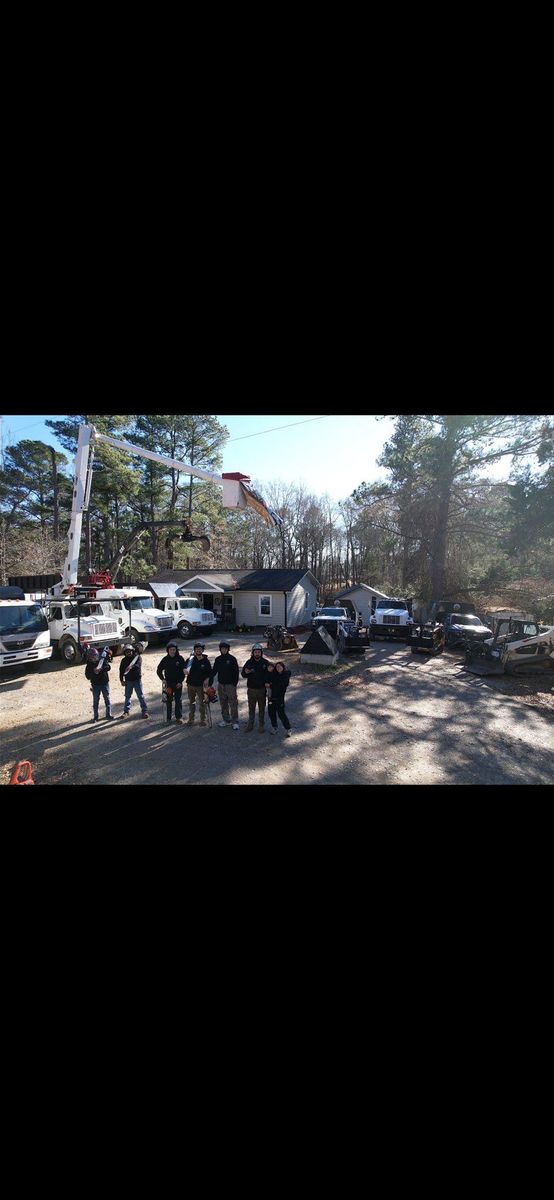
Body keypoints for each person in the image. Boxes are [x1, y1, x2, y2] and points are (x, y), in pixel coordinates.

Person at [209, 640, 240, 730]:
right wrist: (209, 680)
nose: (224, 650)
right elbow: (214, 671)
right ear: (220, 649)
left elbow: (236, 672)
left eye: (225, 648)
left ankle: (235, 721)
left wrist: (234, 683)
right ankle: (226, 720)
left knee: (233, 703)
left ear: (228, 649)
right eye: (222, 648)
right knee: (223, 703)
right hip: (221, 684)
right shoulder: (218, 659)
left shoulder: (232, 659)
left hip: (230, 685)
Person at [241, 643, 269, 732]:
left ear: (261, 653)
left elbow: (270, 674)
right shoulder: (249, 662)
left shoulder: (265, 662)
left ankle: (261, 725)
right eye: (255, 652)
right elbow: (243, 674)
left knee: (261, 708)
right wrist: (247, 672)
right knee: (251, 708)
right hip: (251, 690)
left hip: (262, 690)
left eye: (258, 652)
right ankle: (250, 725)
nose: (257, 653)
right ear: (252, 653)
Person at [157, 640, 186, 723]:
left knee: (178, 700)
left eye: (174, 649)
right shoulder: (165, 659)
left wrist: (180, 682)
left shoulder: (180, 659)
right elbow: (159, 670)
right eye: (171, 649)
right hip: (169, 684)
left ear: (176, 650)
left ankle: (178, 717)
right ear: (168, 650)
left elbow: (183, 672)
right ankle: (168, 718)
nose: (172, 651)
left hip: (178, 684)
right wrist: (163, 679)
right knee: (168, 701)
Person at [119, 643, 149, 718]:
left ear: (132, 651)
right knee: (127, 696)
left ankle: (144, 711)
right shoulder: (123, 660)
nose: (128, 653)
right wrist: (121, 680)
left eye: (129, 651)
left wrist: (130, 667)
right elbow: (121, 670)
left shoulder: (137, 658)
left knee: (140, 696)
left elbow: (138, 666)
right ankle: (126, 712)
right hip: (128, 681)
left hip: (137, 680)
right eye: (126, 652)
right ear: (124, 653)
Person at [185, 642, 212, 726]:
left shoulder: (206, 661)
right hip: (190, 685)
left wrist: (207, 680)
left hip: (201, 686)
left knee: (202, 703)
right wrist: (184, 670)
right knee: (191, 703)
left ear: (202, 650)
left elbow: (210, 674)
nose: (198, 650)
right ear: (194, 650)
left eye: (200, 649)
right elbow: (184, 667)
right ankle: (191, 719)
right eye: (196, 649)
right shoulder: (190, 660)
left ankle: (203, 720)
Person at [85, 645, 114, 721]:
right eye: (92, 657)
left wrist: (101, 669)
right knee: (96, 701)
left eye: (95, 656)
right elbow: (87, 676)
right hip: (95, 685)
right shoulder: (89, 665)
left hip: (104, 683)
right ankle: (95, 716)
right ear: (89, 658)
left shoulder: (102, 661)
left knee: (107, 699)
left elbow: (108, 667)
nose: (94, 658)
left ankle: (108, 714)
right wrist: (93, 672)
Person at [266, 660, 292, 736]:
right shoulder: (273, 675)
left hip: (279, 699)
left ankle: (288, 729)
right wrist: (269, 671)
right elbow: (267, 680)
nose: (278, 668)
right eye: (277, 667)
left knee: (281, 714)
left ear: (283, 667)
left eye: (280, 667)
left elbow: (281, 686)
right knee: (271, 714)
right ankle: (274, 728)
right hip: (271, 698)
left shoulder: (285, 676)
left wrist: (271, 685)